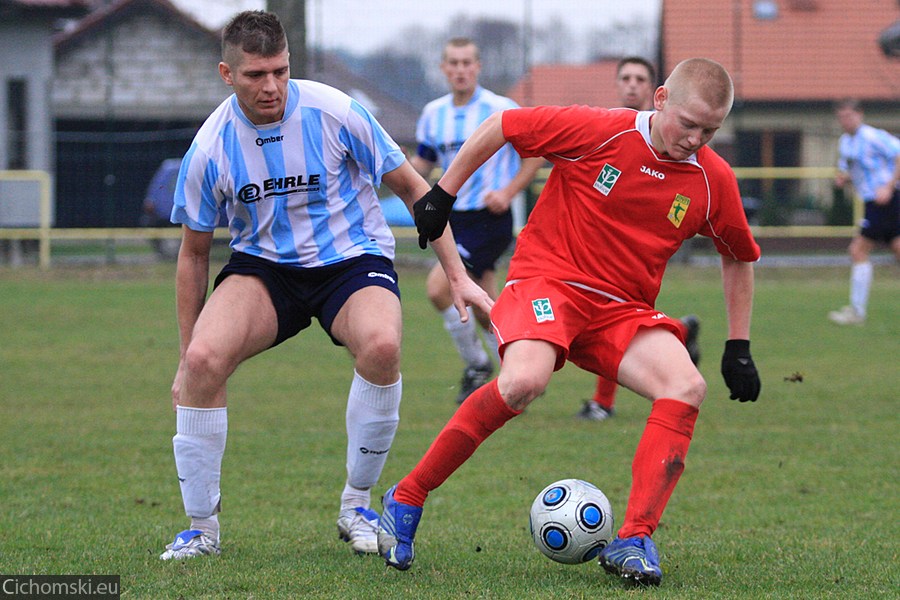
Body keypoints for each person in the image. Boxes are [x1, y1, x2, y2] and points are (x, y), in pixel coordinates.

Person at [380, 58, 762, 587]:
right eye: (688, 124)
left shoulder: (711, 179)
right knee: (522, 381)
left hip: (621, 310)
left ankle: (635, 538)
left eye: (710, 130)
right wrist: (443, 193)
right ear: (659, 100)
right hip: (548, 284)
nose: (696, 139)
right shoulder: (600, 130)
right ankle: (407, 496)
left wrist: (737, 345)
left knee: (686, 385)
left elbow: (739, 255)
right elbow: (503, 127)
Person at [159, 10, 491, 561]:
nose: (271, 86)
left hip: (351, 259)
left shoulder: (337, 112)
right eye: (255, 75)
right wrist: (184, 354)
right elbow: (194, 255)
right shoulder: (210, 147)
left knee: (382, 346)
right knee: (202, 364)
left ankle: (356, 504)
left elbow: (415, 190)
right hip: (264, 268)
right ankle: (202, 529)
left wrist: (457, 276)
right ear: (226, 74)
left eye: (280, 71)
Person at [410, 37, 544, 404]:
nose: (460, 69)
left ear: (478, 66)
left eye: (467, 62)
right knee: (489, 304)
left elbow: (534, 155)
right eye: (453, 63)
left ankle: (477, 365)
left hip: (490, 218)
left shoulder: (499, 108)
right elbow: (422, 163)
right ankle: (520, 370)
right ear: (443, 68)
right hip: (452, 218)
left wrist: (508, 192)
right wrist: (389, 178)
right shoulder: (433, 113)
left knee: (439, 287)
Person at [576, 56, 700, 423]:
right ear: (617, 84)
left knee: (610, 324)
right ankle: (679, 329)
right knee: (603, 324)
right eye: (625, 78)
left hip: (635, 254)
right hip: (593, 242)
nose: (631, 85)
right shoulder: (604, 125)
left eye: (639, 79)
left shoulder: (669, 138)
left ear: (655, 91)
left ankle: (603, 402)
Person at [827, 99, 900, 325]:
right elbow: (852, 170)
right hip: (873, 202)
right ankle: (857, 311)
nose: (845, 121)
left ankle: (857, 312)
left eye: (849, 115)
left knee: (858, 250)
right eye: (841, 117)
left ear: (860, 114)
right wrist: (844, 179)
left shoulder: (872, 136)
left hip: (886, 200)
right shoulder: (845, 142)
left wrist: (888, 186)